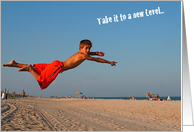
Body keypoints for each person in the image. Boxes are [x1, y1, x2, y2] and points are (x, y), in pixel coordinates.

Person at [3, 39, 117, 90]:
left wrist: (96, 52)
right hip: (58, 67)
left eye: (89, 48)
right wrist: (109, 62)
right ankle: (29, 70)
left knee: (36, 68)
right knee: (43, 83)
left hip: (56, 64)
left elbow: (89, 55)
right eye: (86, 48)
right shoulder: (83, 55)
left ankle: (15, 63)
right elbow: (97, 60)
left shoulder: (81, 53)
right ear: (81, 48)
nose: (88, 50)